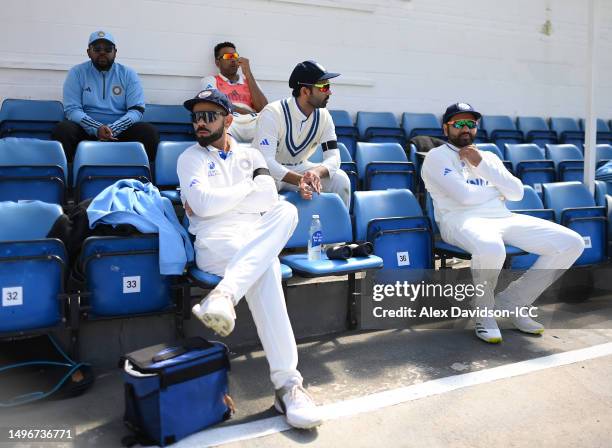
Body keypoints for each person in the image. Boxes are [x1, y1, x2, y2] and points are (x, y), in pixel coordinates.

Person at [177, 88, 322, 429]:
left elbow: (269, 200)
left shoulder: (252, 155)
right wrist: (246, 192)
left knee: (286, 211)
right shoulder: (189, 158)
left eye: (209, 115)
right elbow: (203, 206)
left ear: (228, 120)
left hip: (255, 233)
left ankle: (225, 295)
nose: (200, 122)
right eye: (196, 116)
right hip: (215, 241)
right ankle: (289, 386)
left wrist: (216, 201)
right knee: (267, 268)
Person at [421, 102, 584, 344]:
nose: (465, 128)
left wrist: (482, 165)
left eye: (471, 123)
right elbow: (464, 197)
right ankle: (483, 313)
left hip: (502, 217)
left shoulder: (488, 157)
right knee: (491, 247)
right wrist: (498, 191)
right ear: (446, 129)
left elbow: (517, 192)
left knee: (571, 242)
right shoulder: (436, 157)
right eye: (458, 124)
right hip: (458, 220)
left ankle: (513, 301)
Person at [253, 60, 351, 209]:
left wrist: (315, 173)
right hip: (269, 173)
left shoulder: (324, 116)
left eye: (328, 86)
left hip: (300, 169)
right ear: (305, 91)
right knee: (264, 188)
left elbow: (333, 157)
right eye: (324, 87)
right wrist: (300, 180)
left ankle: (338, 228)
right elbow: (266, 162)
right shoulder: (272, 113)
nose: (329, 92)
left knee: (341, 180)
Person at [52, 30, 159, 162]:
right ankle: (68, 178)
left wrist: (113, 129)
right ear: (88, 52)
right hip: (86, 130)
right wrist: (97, 128)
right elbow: (72, 110)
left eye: (108, 49)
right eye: (97, 49)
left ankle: (144, 179)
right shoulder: (77, 73)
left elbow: (137, 110)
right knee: (63, 130)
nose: (102, 52)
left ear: (115, 52)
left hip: (120, 130)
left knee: (149, 132)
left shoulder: (128, 74)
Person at [201, 42, 268, 142]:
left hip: (252, 122)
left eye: (235, 56)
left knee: (270, 122)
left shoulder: (251, 82)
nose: (233, 59)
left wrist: (248, 74)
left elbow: (264, 109)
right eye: (227, 56)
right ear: (217, 62)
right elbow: (214, 104)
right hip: (229, 121)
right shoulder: (210, 80)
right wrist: (246, 112)